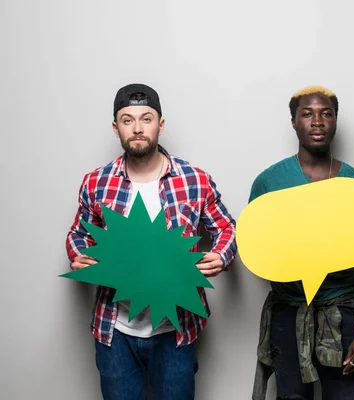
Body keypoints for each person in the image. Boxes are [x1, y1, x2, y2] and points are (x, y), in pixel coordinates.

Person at [65, 83, 237, 400]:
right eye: (128, 120)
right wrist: (79, 255)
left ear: (161, 124)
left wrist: (221, 255)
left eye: (146, 118)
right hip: (115, 330)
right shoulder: (96, 181)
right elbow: (78, 233)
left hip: (176, 329)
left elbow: (226, 227)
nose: (138, 128)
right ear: (116, 128)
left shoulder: (194, 179)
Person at [250, 86, 354, 400]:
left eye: (326, 113)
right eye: (307, 114)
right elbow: (257, 247)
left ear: (336, 121)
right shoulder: (269, 182)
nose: (317, 121)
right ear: (294, 122)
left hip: (343, 314)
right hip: (288, 312)